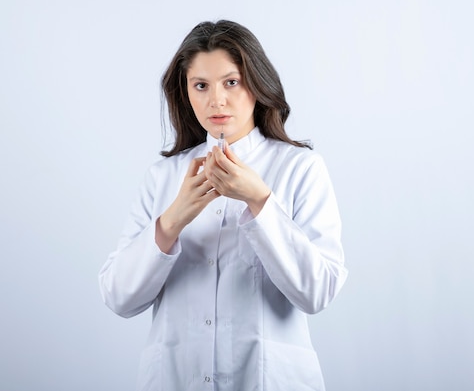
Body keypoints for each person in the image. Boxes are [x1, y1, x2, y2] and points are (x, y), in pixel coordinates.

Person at [98, 20, 348, 391]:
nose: (216, 100)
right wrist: (172, 221)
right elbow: (119, 296)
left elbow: (319, 292)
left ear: (257, 83)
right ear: (185, 93)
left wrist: (260, 201)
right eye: (201, 85)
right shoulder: (163, 177)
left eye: (231, 82)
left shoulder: (300, 168)